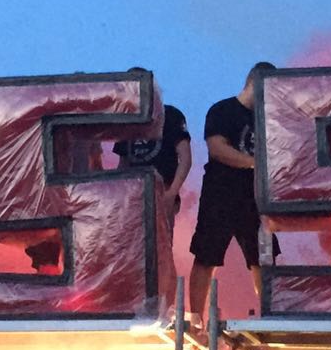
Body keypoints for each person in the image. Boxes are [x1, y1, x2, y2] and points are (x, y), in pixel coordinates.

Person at [188, 63, 275, 321]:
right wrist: (255, 163)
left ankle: (269, 315)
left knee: (263, 257)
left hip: (256, 197)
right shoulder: (222, 110)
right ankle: (196, 319)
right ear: (254, 83)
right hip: (220, 193)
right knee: (206, 255)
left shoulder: (270, 117)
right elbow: (217, 149)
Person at [112, 69, 192, 215]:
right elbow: (123, 164)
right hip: (133, 196)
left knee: (160, 228)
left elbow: (185, 159)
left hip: (163, 191)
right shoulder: (125, 121)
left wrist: (171, 193)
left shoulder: (170, 115)